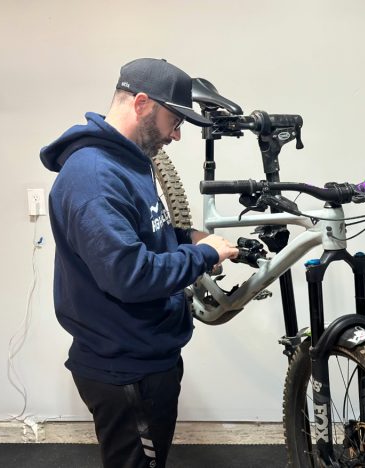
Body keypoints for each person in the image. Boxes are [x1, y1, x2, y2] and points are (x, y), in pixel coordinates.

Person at [40, 58, 238, 468]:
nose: (177, 135)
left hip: (145, 356)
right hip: (126, 370)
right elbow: (130, 276)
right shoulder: (93, 177)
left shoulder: (128, 164)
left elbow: (143, 238)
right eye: (174, 121)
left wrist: (186, 238)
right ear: (143, 103)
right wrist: (203, 255)